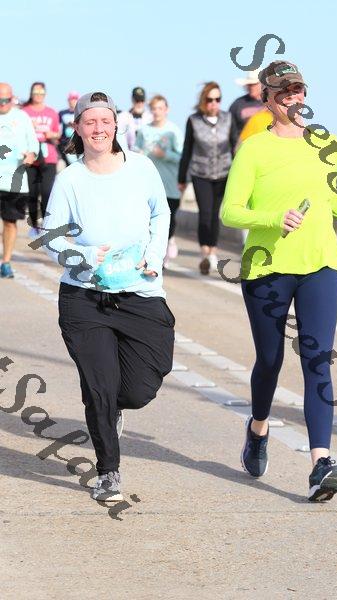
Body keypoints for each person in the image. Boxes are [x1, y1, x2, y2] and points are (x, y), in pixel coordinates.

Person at [221, 60, 337, 502]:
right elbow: (230, 211)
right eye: (284, 91)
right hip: (267, 265)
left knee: (317, 359)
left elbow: (327, 194)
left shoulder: (325, 142)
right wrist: (273, 218)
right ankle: (258, 428)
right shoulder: (254, 149)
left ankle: (321, 463)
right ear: (267, 98)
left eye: (298, 89)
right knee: (270, 360)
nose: (293, 97)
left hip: (320, 262)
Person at [41, 92, 174, 502]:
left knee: (137, 390)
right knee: (99, 384)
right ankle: (108, 472)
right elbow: (50, 235)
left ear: (116, 125)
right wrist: (80, 255)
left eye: (105, 121)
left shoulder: (142, 167)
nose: (98, 129)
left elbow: (161, 212)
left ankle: (114, 410)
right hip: (85, 297)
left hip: (140, 292)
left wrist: (155, 256)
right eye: (90, 122)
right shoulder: (70, 179)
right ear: (78, 128)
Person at [178, 82, 237, 274]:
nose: (214, 103)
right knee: (205, 214)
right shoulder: (193, 120)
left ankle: (213, 252)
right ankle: (204, 252)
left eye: (218, 99)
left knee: (215, 214)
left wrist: (239, 175)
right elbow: (187, 150)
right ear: (204, 100)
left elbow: (235, 147)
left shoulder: (228, 119)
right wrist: (182, 178)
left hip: (223, 173)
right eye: (210, 99)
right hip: (200, 173)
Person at [135, 94, 183, 267]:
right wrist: (139, 154)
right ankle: (151, 254)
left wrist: (165, 154)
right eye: (154, 109)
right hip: (148, 185)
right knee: (148, 221)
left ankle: (168, 244)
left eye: (160, 108)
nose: (157, 112)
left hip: (169, 184)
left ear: (166, 110)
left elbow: (181, 156)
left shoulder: (174, 131)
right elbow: (135, 150)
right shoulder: (144, 130)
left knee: (168, 220)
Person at [0, 82, 38, 278]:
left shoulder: (22, 117)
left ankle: (5, 262)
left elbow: (33, 144)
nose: (2, 104)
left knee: (9, 222)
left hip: (14, 181)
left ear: (12, 98)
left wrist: (31, 155)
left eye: (6, 100)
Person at [22, 82, 60, 228]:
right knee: (32, 193)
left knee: (46, 192)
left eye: (41, 93)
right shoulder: (24, 112)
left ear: (45, 94)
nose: (38, 95)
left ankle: (46, 225)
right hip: (30, 156)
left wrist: (52, 134)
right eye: (36, 92)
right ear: (31, 93)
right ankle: (34, 224)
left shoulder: (52, 112)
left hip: (48, 156)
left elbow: (58, 135)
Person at [229, 70, 264, 139]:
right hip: (244, 143)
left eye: (254, 84)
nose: (251, 87)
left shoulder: (272, 103)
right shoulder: (237, 104)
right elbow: (230, 129)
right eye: (249, 85)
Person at [117, 86, 152, 151]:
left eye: (141, 100)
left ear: (144, 101)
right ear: (132, 100)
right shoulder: (122, 117)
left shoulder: (151, 118)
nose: (139, 103)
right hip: (128, 154)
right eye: (137, 100)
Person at [58, 91, 80, 165]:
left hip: (79, 141)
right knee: (71, 162)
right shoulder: (62, 113)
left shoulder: (82, 113)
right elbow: (58, 128)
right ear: (68, 100)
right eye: (71, 99)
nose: (73, 101)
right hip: (66, 142)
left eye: (75, 99)